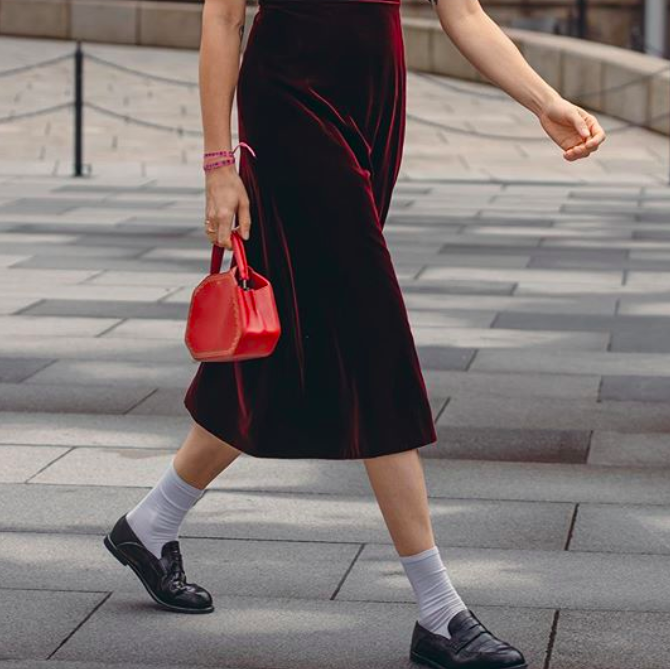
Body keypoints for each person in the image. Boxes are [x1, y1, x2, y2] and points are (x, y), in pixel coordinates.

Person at [104, 0, 605, 666]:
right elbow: (222, 18)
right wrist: (218, 166)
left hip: (372, 113)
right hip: (289, 110)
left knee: (293, 340)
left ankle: (150, 522)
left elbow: (464, 13)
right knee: (373, 341)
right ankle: (439, 612)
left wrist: (546, 103)